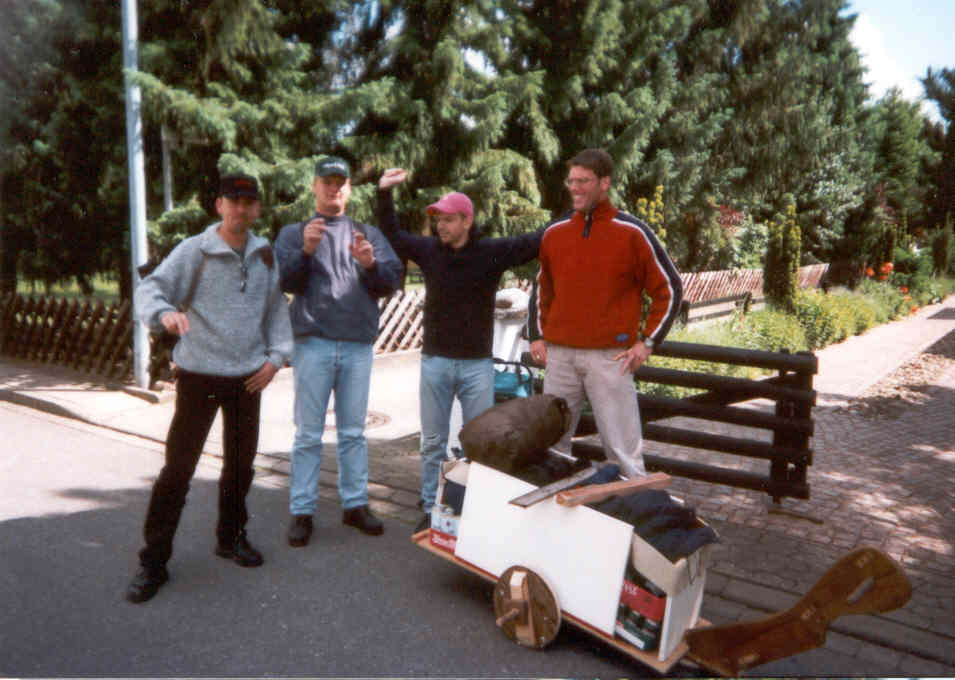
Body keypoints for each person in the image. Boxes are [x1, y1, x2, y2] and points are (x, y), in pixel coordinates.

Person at [127, 173, 293, 603]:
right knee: (177, 471)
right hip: (199, 376)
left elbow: (276, 312)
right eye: (232, 201)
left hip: (248, 380)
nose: (241, 209)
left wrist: (276, 359)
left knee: (240, 466)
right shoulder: (194, 250)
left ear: (257, 208)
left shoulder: (264, 255)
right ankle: (153, 561)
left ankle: (230, 537)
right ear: (219, 205)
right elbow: (152, 288)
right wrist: (164, 314)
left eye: (249, 202)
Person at [376, 168, 545, 532]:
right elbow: (391, 234)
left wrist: (576, 213)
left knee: (479, 444)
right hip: (435, 362)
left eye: (448, 219)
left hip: (476, 368)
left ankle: (473, 508)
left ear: (466, 221)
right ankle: (429, 504)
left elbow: (535, 241)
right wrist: (384, 194)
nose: (440, 226)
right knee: (433, 442)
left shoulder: (489, 253)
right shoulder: (428, 251)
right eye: (437, 219)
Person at [527, 149, 683, 478]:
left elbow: (669, 288)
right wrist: (537, 335)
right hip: (560, 358)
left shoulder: (633, 233)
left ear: (604, 183)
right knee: (552, 446)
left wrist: (648, 342)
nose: (575, 188)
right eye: (571, 181)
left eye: (584, 181)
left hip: (610, 358)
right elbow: (543, 288)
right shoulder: (554, 233)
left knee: (623, 452)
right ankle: (555, 516)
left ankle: (636, 516)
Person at [275, 156, 403, 546]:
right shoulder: (295, 232)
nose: (334, 189)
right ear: (314, 186)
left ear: (349, 188)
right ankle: (302, 511)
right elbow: (285, 280)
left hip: (357, 346)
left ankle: (355, 505)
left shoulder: (367, 233)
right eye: (327, 182)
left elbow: (390, 281)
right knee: (308, 434)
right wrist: (307, 252)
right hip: (312, 343)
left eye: (340, 183)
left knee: (352, 432)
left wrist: (369, 265)